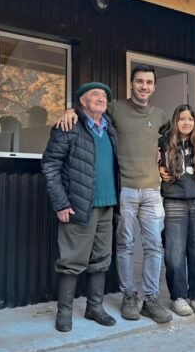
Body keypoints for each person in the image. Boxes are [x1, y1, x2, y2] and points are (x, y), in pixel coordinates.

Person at [57, 65, 172, 323]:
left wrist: (163, 158)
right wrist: (69, 110)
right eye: (139, 81)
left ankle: (151, 299)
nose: (144, 86)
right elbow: (89, 109)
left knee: (154, 245)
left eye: (149, 82)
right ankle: (129, 296)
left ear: (154, 86)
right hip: (126, 190)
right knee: (125, 245)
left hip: (153, 190)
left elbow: (168, 138)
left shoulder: (161, 115)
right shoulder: (115, 109)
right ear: (131, 84)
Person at [42, 82, 120, 332]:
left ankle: (94, 308)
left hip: (108, 205)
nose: (101, 98)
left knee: (101, 259)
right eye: (94, 94)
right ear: (82, 102)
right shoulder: (69, 126)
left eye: (104, 95)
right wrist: (61, 202)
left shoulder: (110, 128)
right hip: (78, 205)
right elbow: (50, 164)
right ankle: (64, 312)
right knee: (71, 260)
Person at [157, 104, 195, 318]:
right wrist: (158, 168)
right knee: (174, 252)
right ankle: (178, 297)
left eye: (190, 119)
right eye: (181, 119)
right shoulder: (163, 142)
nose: (186, 122)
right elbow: (149, 159)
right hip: (174, 201)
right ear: (174, 121)